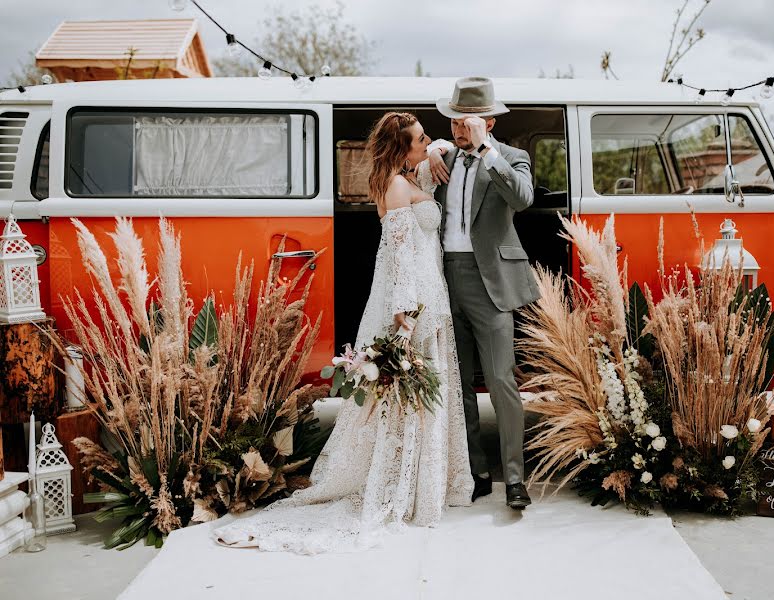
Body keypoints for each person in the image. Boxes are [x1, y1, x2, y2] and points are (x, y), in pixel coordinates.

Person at [213, 112, 473, 554]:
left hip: (432, 292)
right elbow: (401, 259)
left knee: (420, 399)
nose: (427, 141)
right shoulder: (394, 186)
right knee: (410, 401)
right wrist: (405, 318)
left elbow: (430, 174)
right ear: (401, 149)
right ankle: (410, 489)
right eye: (419, 139)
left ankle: (427, 482)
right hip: (417, 300)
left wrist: (434, 150)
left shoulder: (404, 179)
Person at [429, 77, 541, 510]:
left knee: (500, 380)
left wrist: (489, 153)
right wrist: (436, 150)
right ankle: (473, 471)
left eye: (467, 121)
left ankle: (514, 478)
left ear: (489, 122)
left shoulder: (511, 157)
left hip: (490, 280)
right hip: (443, 278)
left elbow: (523, 198)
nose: (458, 128)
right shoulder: (443, 158)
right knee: (457, 382)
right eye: (453, 120)